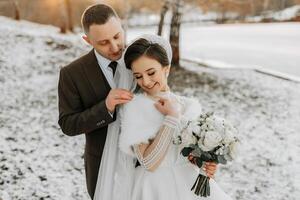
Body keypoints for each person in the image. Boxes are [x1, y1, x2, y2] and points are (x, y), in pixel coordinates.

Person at [115, 35, 233, 200]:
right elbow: (148, 163)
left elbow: (192, 155)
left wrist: (206, 164)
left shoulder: (189, 106)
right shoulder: (135, 109)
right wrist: (171, 117)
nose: (146, 81)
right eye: (138, 76)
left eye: (151, 72)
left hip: (189, 184)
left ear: (166, 69)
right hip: (153, 188)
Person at [57, 4, 134, 199]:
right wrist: (105, 108)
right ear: (87, 40)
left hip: (145, 164)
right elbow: (68, 124)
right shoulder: (72, 74)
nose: (115, 47)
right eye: (104, 42)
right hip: (102, 167)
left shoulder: (142, 59)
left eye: (117, 36)